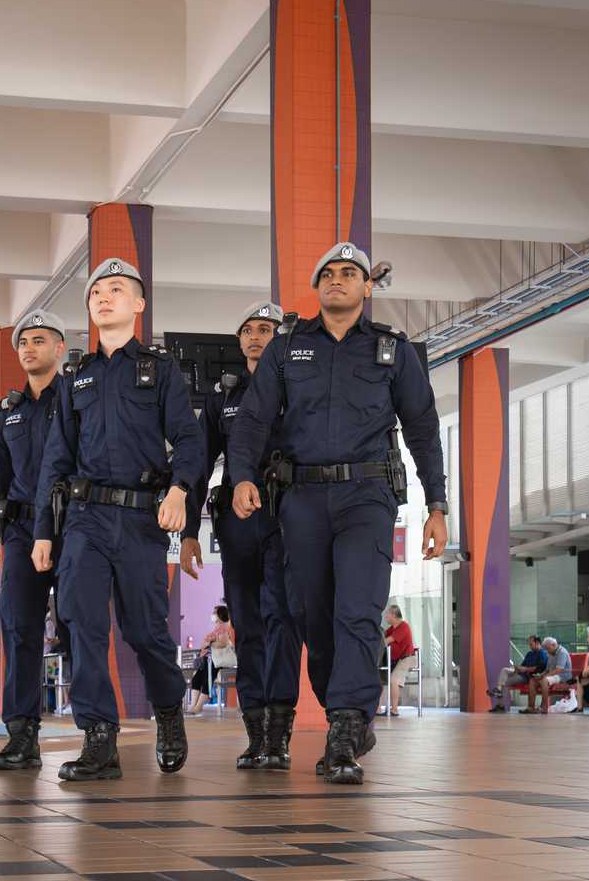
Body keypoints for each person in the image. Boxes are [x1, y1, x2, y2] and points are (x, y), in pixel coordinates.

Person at [230, 242, 448, 785]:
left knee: (357, 609)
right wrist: (241, 477)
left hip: (367, 498)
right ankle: (344, 709)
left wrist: (437, 505)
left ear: (366, 287)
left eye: (349, 273)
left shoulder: (393, 351)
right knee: (312, 616)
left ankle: (346, 729)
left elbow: (422, 428)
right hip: (300, 499)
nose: (337, 280)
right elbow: (254, 419)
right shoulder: (286, 350)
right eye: (327, 273)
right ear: (316, 286)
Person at [32, 258, 205, 781]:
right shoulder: (75, 377)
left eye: (115, 290)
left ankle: (170, 712)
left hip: (139, 521)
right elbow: (55, 459)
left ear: (138, 304)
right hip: (84, 520)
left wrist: (178, 491)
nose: (103, 298)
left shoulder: (160, 368)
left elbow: (191, 441)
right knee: (81, 625)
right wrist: (43, 530)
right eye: (96, 293)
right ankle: (99, 739)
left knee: (144, 631)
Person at [181, 300, 302, 769]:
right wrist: (190, 531)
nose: (257, 336)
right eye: (249, 329)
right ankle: (256, 734)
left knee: (284, 620)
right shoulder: (223, 398)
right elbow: (196, 464)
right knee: (248, 625)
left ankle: (279, 733)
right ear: (239, 340)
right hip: (237, 520)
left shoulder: (297, 391)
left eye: (267, 328)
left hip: (288, 517)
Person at [0, 308, 69, 772]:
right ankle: (21, 735)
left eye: (39, 340)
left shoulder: (75, 399)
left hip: (71, 529)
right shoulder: (9, 413)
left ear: (60, 348)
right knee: (19, 631)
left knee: (77, 628)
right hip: (19, 532)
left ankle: (94, 732)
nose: (29, 348)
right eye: (23, 343)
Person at [185, 605, 236, 715]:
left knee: (206, 678)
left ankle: (198, 706)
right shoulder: (216, 629)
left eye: (215, 612)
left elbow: (223, 644)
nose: (212, 614)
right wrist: (209, 643)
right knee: (196, 678)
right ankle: (193, 705)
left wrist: (210, 643)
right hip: (211, 660)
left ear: (220, 615)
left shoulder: (225, 628)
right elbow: (205, 644)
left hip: (219, 661)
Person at [487, 635, 546, 712]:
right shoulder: (529, 654)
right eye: (529, 644)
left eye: (531, 644)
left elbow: (540, 668)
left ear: (537, 643)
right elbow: (522, 665)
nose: (529, 646)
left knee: (506, 681)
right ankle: (498, 690)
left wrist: (526, 669)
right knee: (505, 670)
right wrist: (517, 668)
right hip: (521, 672)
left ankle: (500, 705)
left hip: (527, 676)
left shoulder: (542, 653)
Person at [521, 637, 573, 714]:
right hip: (553, 675)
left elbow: (558, 670)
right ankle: (531, 707)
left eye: (548, 649)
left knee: (544, 680)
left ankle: (544, 707)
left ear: (554, 645)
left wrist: (544, 676)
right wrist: (540, 675)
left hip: (562, 676)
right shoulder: (551, 653)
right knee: (532, 680)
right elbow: (547, 669)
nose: (547, 651)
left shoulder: (562, 652)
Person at [381, 605, 415, 716]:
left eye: (387, 614)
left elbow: (386, 641)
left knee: (394, 680)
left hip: (406, 659)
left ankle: (394, 710)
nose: (385, 616)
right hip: (395, 660)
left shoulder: (403, 626)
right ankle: (377, 710)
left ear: (394, 615)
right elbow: (383, 635)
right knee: (379, 680)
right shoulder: (392, 628)